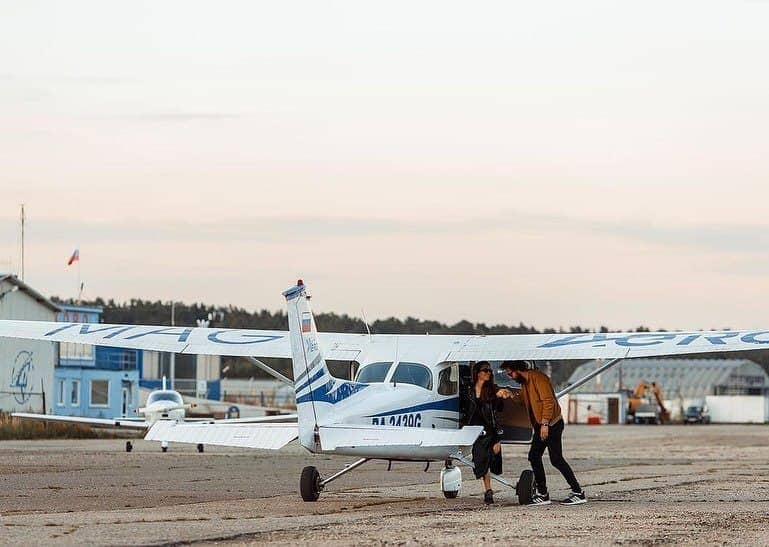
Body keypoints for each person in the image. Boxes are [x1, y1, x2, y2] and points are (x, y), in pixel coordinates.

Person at [500, 360, 587, 506]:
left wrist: (545, 423)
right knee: (534, 456)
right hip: (541, 426)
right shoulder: (525, 383)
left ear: (518, 369)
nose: (510, 377)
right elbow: (523, 400)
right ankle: (543, 493)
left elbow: (548, 401)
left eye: (510, 373)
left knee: (556, 459)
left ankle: (578, 492)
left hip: (551, 424)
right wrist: (511, 394)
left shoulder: (539, 378)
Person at [461, 361, 508, 504]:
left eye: (489, 371)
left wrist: (498, 439)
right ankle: (488, 490)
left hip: (489, 431)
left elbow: (497, 414)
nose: (488, 373)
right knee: (480, 460)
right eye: (485, 370)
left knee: (490, 460)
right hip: (473, 431)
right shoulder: (467, 390)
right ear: (477, 373)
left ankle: (488, 490)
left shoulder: (493, 390)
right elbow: (463, 408)